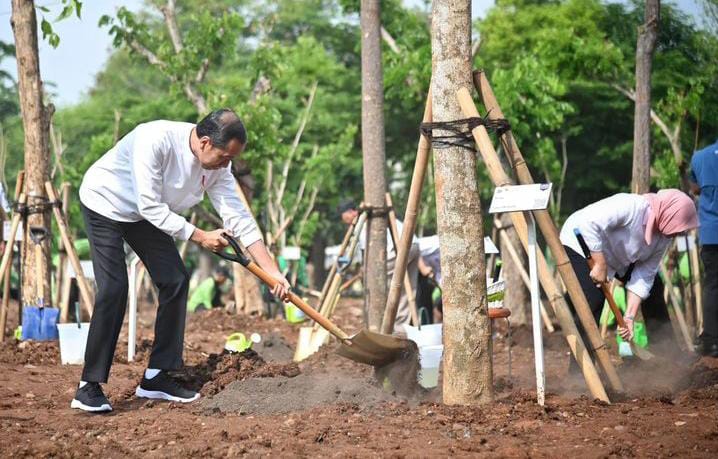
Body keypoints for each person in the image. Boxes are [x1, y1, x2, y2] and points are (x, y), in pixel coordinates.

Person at [72, 109, 290, 412]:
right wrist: (200, 235)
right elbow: (149, 206)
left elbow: (240, 219)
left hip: (147, 214)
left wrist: (273, 273)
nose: (227, 165)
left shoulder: (219, 168)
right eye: (224, 157)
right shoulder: (155, 139)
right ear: (203, 142)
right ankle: (88, 386)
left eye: (231, 159)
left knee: (175, 280)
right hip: (105, 204)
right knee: (114, 288)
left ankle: (157, 376)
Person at [559, 189, 698, 357]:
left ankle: (667, 354)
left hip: (616, 257)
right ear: (669, 214)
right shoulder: (631, 206)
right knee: (593, 299)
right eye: (678, 226)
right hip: (580, 241)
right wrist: (600, 264)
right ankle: (580, 373)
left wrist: (629, 317)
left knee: (654, 287)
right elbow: (589, 224)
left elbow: (644, 275)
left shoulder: (663, 237)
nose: (678, 233)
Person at [337, 200, 419, 332]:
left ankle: (384, 324)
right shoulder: (365, 219)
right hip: (413, 243)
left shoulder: (364, 221)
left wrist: (365, 270)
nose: (345, 221)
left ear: (351, 212)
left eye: (344, 217)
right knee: (405, 290)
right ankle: (401, 329)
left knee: (376, 278)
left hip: (401, 246)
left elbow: (367, 252)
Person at [690, 139, 718, 357]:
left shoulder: (699, 156)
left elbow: (695, 188)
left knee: (712, 286)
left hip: (710, 233)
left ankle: (711, 340)